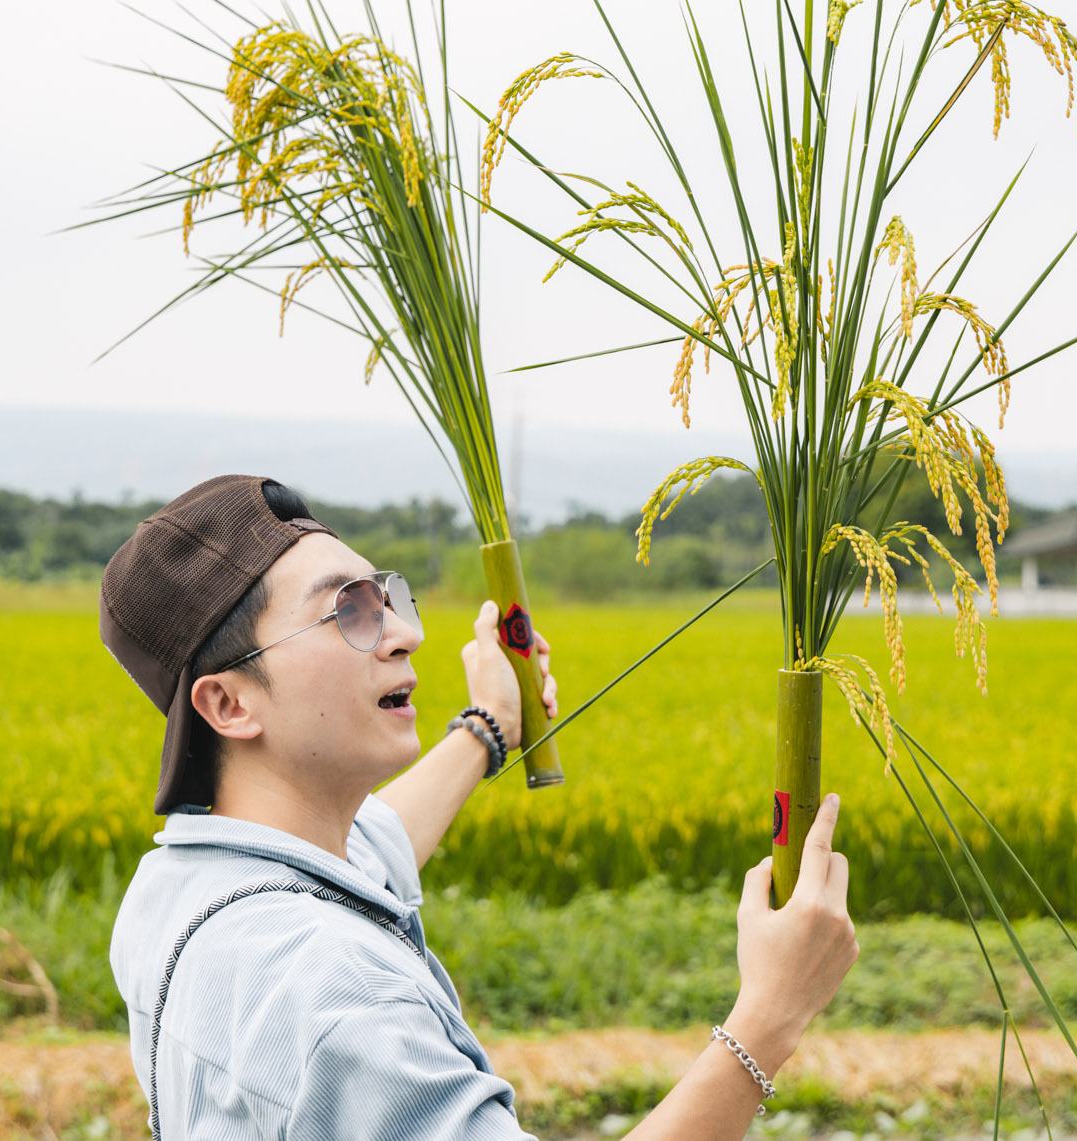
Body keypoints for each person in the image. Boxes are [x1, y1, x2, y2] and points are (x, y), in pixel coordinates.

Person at [99, 473, 860, 1139]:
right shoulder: (335, 994)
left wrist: (489, 728)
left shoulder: (179, 887)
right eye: (348, 611)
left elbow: (371, 844)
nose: (407, 633)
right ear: (229, 701)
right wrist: (769, 1016)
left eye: (389, 597)